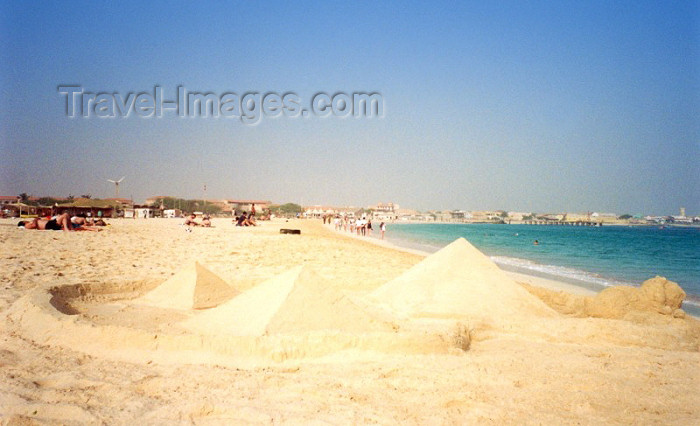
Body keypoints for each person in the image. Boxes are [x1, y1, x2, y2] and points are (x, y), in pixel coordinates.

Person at [18, 213, 97, 231]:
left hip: (50, 223)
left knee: (65, 217)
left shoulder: (29, 223)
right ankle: (68, 228)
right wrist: (36, 219)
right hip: (48, 225)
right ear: (23, 222)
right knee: (65, 215)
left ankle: (69, 228)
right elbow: (34, 225)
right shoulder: (26, 225)